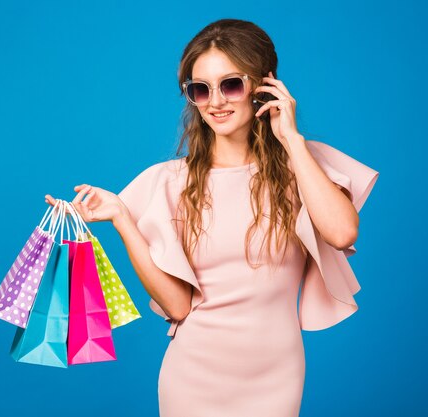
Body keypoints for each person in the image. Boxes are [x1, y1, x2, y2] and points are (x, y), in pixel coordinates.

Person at [45, 18, 379, 417]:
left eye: (231, 84)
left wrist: (291, 139)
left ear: (264, 85)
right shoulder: (170, 183)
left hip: (277, 377)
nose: (216, 101)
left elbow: (342, 233)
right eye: (200, 90)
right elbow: (178, 307)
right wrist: (121, 217)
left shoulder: (303, 169)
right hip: (192, 378)